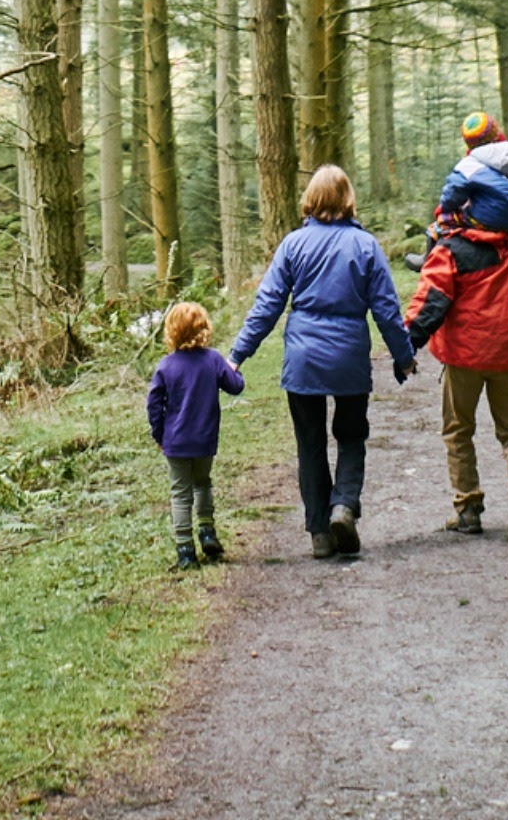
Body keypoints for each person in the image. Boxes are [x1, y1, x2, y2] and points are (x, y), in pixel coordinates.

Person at [228, 166, 415, 559]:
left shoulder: (293, 245)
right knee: (351, 436)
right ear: (348, 199)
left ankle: (319, 534)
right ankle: (343, 506)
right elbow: (386, 309)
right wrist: (404, 357)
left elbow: (267, 305)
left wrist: (238, 354)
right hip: (348, 357)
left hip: (304, 359)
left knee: (310, 444)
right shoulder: (365, 246)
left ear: (311, 200)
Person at [405, 220, 508, 539]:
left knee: (458, 430)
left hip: (463, 358)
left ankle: (468, 510)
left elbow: (431, 303)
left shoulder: (452, 248)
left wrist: (405, 345)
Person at [148, 302, 246, 570]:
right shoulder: (213, 359)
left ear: (171, 332)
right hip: (204, 439)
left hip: (175, 441)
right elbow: (235, 386)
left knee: (180, 493)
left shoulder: (165, 366)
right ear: (204, 329)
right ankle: (207, 533)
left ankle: (185, 550)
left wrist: (159, 434)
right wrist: (235, 370)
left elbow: (154, 404)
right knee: (202, 483)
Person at [431, 111, 508, 238]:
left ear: (470, 143)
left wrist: (443, 208)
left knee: (440, 222)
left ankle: (428, 254)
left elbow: (452, 195)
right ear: (497, 132)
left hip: (487, 222)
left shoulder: (470, 164)